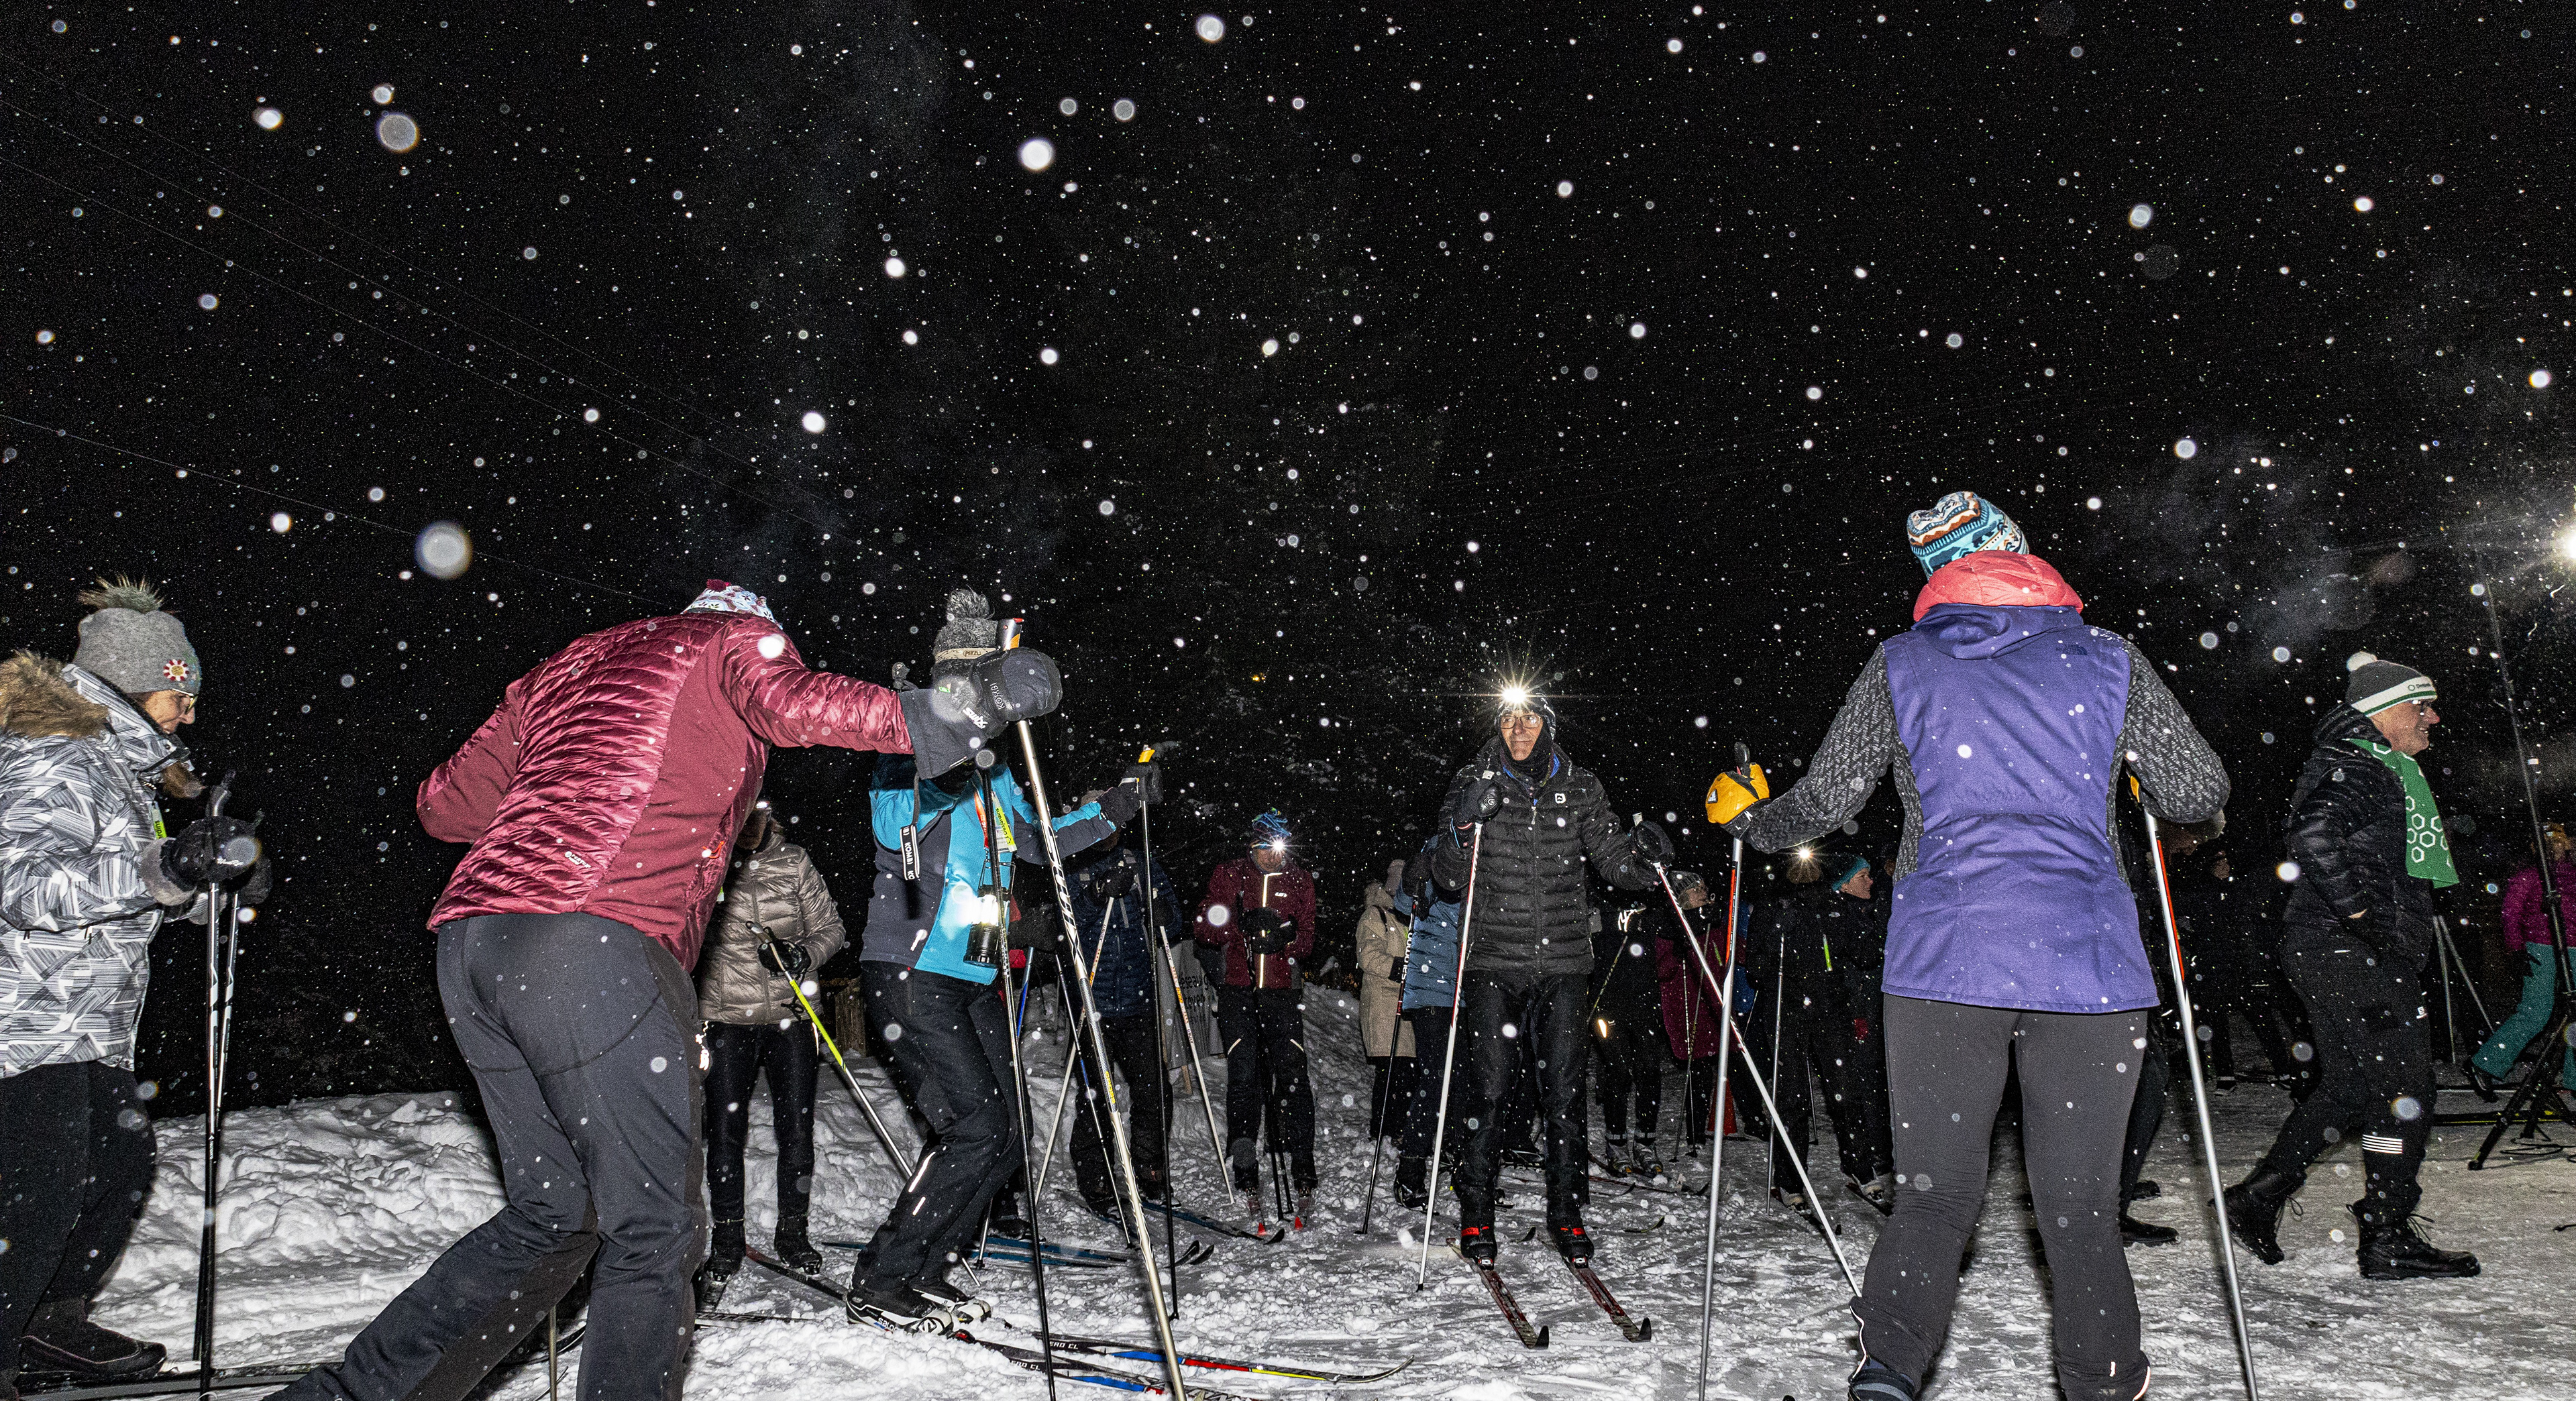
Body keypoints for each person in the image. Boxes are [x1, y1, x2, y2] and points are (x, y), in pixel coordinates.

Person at [278, 579, 1052, 1401]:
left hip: (477, 943)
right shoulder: (726, 643)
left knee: (555, 1214)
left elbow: (445, 805)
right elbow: (801, 703)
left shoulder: (568, 663)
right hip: (597, 936)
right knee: (653, 1229)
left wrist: (565, 774)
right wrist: (961, 706)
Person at [1709, 491, 2229, 1401]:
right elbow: (2197, 790)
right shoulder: (2108, 659)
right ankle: (2104, 1381)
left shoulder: (1903, 663)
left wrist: (1755, 819)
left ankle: (1888, 1373)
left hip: (1948, 962)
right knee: (2078, 1214)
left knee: (1937, 1198)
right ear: (2023, 552)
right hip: (2088, 969)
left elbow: (1825, 802)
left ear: (1937, 578)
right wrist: (2135, 774)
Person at [2, 580, 261, 1396]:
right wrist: (167, 866)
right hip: (23, 1016)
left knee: (118, 1169)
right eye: (176, 695)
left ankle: (46, 1325)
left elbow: (127, 890)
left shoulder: (119, 768)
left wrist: (208, 886)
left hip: (86, 1021)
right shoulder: (51, 754)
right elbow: (29, 887)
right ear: (125, 685)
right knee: (37, 1198)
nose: (186, 714)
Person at [851, 587, 1134, 1320]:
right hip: (914, 968)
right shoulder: (909, 736)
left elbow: (1037, 840)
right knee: (975, 1127)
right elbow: (894, 826)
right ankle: (882, 1277)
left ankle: (929, 1261)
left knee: (1004, 1133)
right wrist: (956, 744)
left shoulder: (997, 768)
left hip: (975, 974)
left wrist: (1113, 809)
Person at [2225, 658, 2481, 1280]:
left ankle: (2258, 1196)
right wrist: (2365, 915)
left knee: (2350, 1087)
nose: (2433, 718)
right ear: (2387, 710)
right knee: (2406, 1092)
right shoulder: (2366, 766)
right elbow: (2314, 834)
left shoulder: (2366, 762)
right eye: (2422, 706)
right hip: (2348, 951)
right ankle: (2387, 1234)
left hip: (2326, 948)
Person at [1429, 690, 1666, 1266]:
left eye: (1529, 717)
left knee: (1564, 1093)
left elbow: (1612, 859)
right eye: (1509, 718)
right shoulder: (1473, 777)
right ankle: (1477, 1212)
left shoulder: (1581, 785)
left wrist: (1649, 862)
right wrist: (1465, 821)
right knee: (1487, 1091)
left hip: (1562, 963)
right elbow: (1445, 873)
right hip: (1493, 962)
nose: (1518, 728)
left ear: (1547, 724)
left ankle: (1566, 1210)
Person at [690, 802, 846, 1308]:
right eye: (741, 815)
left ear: (770, 817)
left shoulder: (795, 862)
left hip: (791, 1015)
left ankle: (793, 1232)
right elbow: (683, 937)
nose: (750, 826)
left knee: (796, 1128)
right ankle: (728, 1239)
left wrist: (803, 954)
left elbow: (832, 928)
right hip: (727, 1018)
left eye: (758, 814)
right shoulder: (705, 862)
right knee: (725, 1132)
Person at [1744, 852, 1897, 1219]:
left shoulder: (1832, 905)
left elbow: (1864, 952)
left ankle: (1860, 1166)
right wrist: (1776, 945)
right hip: (1785, 1012)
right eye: (1799, 860)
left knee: (1846, 1092)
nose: (1805, 866)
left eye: (1811, 859)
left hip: (1830, 1011)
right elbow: (1755, 968)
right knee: (1792, 1098)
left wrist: (1877, 913)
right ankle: (1791, 1180)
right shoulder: (1771, 906)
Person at [1193, 809, 1320, 1223]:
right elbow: (1205, 924)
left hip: (1281, 995)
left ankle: (1301, 1160)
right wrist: (1237, 925)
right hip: (1239, 990)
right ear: (1253, 846)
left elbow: (1307, 939)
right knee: (1243, 1074)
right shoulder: (1230, 874)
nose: (1271, 857)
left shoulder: (1299, 880)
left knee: (1292, 1074)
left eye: (1278, 849)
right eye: (1264, 848)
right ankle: (1245, 1160)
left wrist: (1284, 936)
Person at [1061, 838, 1185, 1219]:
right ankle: (1098, 1176)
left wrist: (1163, 912)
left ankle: (1149, 1166)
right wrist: (1097, 894)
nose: (1105, 832)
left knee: (1154, 1090)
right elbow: (1065, 924)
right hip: (1091, 1003)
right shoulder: (1070, 862)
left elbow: (1174, 922)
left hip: (1137, 1001)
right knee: (1097, 1095)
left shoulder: (1140, 861)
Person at [2177, 844, 2310, 1093]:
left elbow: (2253, 926)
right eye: (2218, 863)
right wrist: (2193, 941)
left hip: (2241, 965)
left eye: (2226, 862)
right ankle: (2225, 1074)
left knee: (2261, 1018)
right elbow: (2185, 919)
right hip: (2212, 965)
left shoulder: (2241, 891)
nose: (2224, 867)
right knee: (2215, 1023)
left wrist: (2258, 960)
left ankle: (2282, 1069)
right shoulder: (2201, 894)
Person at [2467, 823, 2576, 1101]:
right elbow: (2509, 915)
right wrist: (2516, 951)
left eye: (2559, 839)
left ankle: (2575, 1080)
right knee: (2536, 1012)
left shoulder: (2573, 876)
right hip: (2540, 947)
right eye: (2548, 840)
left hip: (2574, 948)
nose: (2555, 845)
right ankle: (2484, 1063)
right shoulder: (2530, 876)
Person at [1393, 836, 1461, 1211]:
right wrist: (1412, 879)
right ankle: (1411, 1169)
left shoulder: (1495, 846)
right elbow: (1406, 903)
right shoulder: (1438, 846)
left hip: (1473, 985)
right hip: (1432, 982)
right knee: (1436, 1075)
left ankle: (1461, 1159)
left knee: (1468, 1080)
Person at [1590, 901, 1670, 1180]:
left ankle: (1646, 1143)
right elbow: (1588, 939)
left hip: (1645, 1001)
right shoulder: (1602, 892)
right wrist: (1610, 926)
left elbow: (1673, 927)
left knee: (1649, 1070)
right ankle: (1617, 1143)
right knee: (1619, 1071)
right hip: (1608, 1000)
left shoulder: (1650, 896)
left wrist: (1696, 913)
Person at [1654, 873, 1728, 1153]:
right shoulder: (1673, 925)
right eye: (1696, 889)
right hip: (1684, 1004)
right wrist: (1680, 945)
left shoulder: (1714, 920)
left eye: (1704, 887)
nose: (1703, 892)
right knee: (1697, 1069)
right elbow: (1662, 968)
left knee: (1714, 1067)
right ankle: (1695, 1132)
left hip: (1712, 1003)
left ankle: (1710, 1127)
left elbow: (1725, 955)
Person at [1355, 858, 1419, 1145]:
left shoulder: (1410, 917)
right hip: (1383, 1005)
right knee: (1393, 1071)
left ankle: (1398, 1127)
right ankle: (1383, 1129)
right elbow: (1369, 956)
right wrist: (1404, 968)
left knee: (1406, 1071)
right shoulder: (1375, 915)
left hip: (1409, 1004)